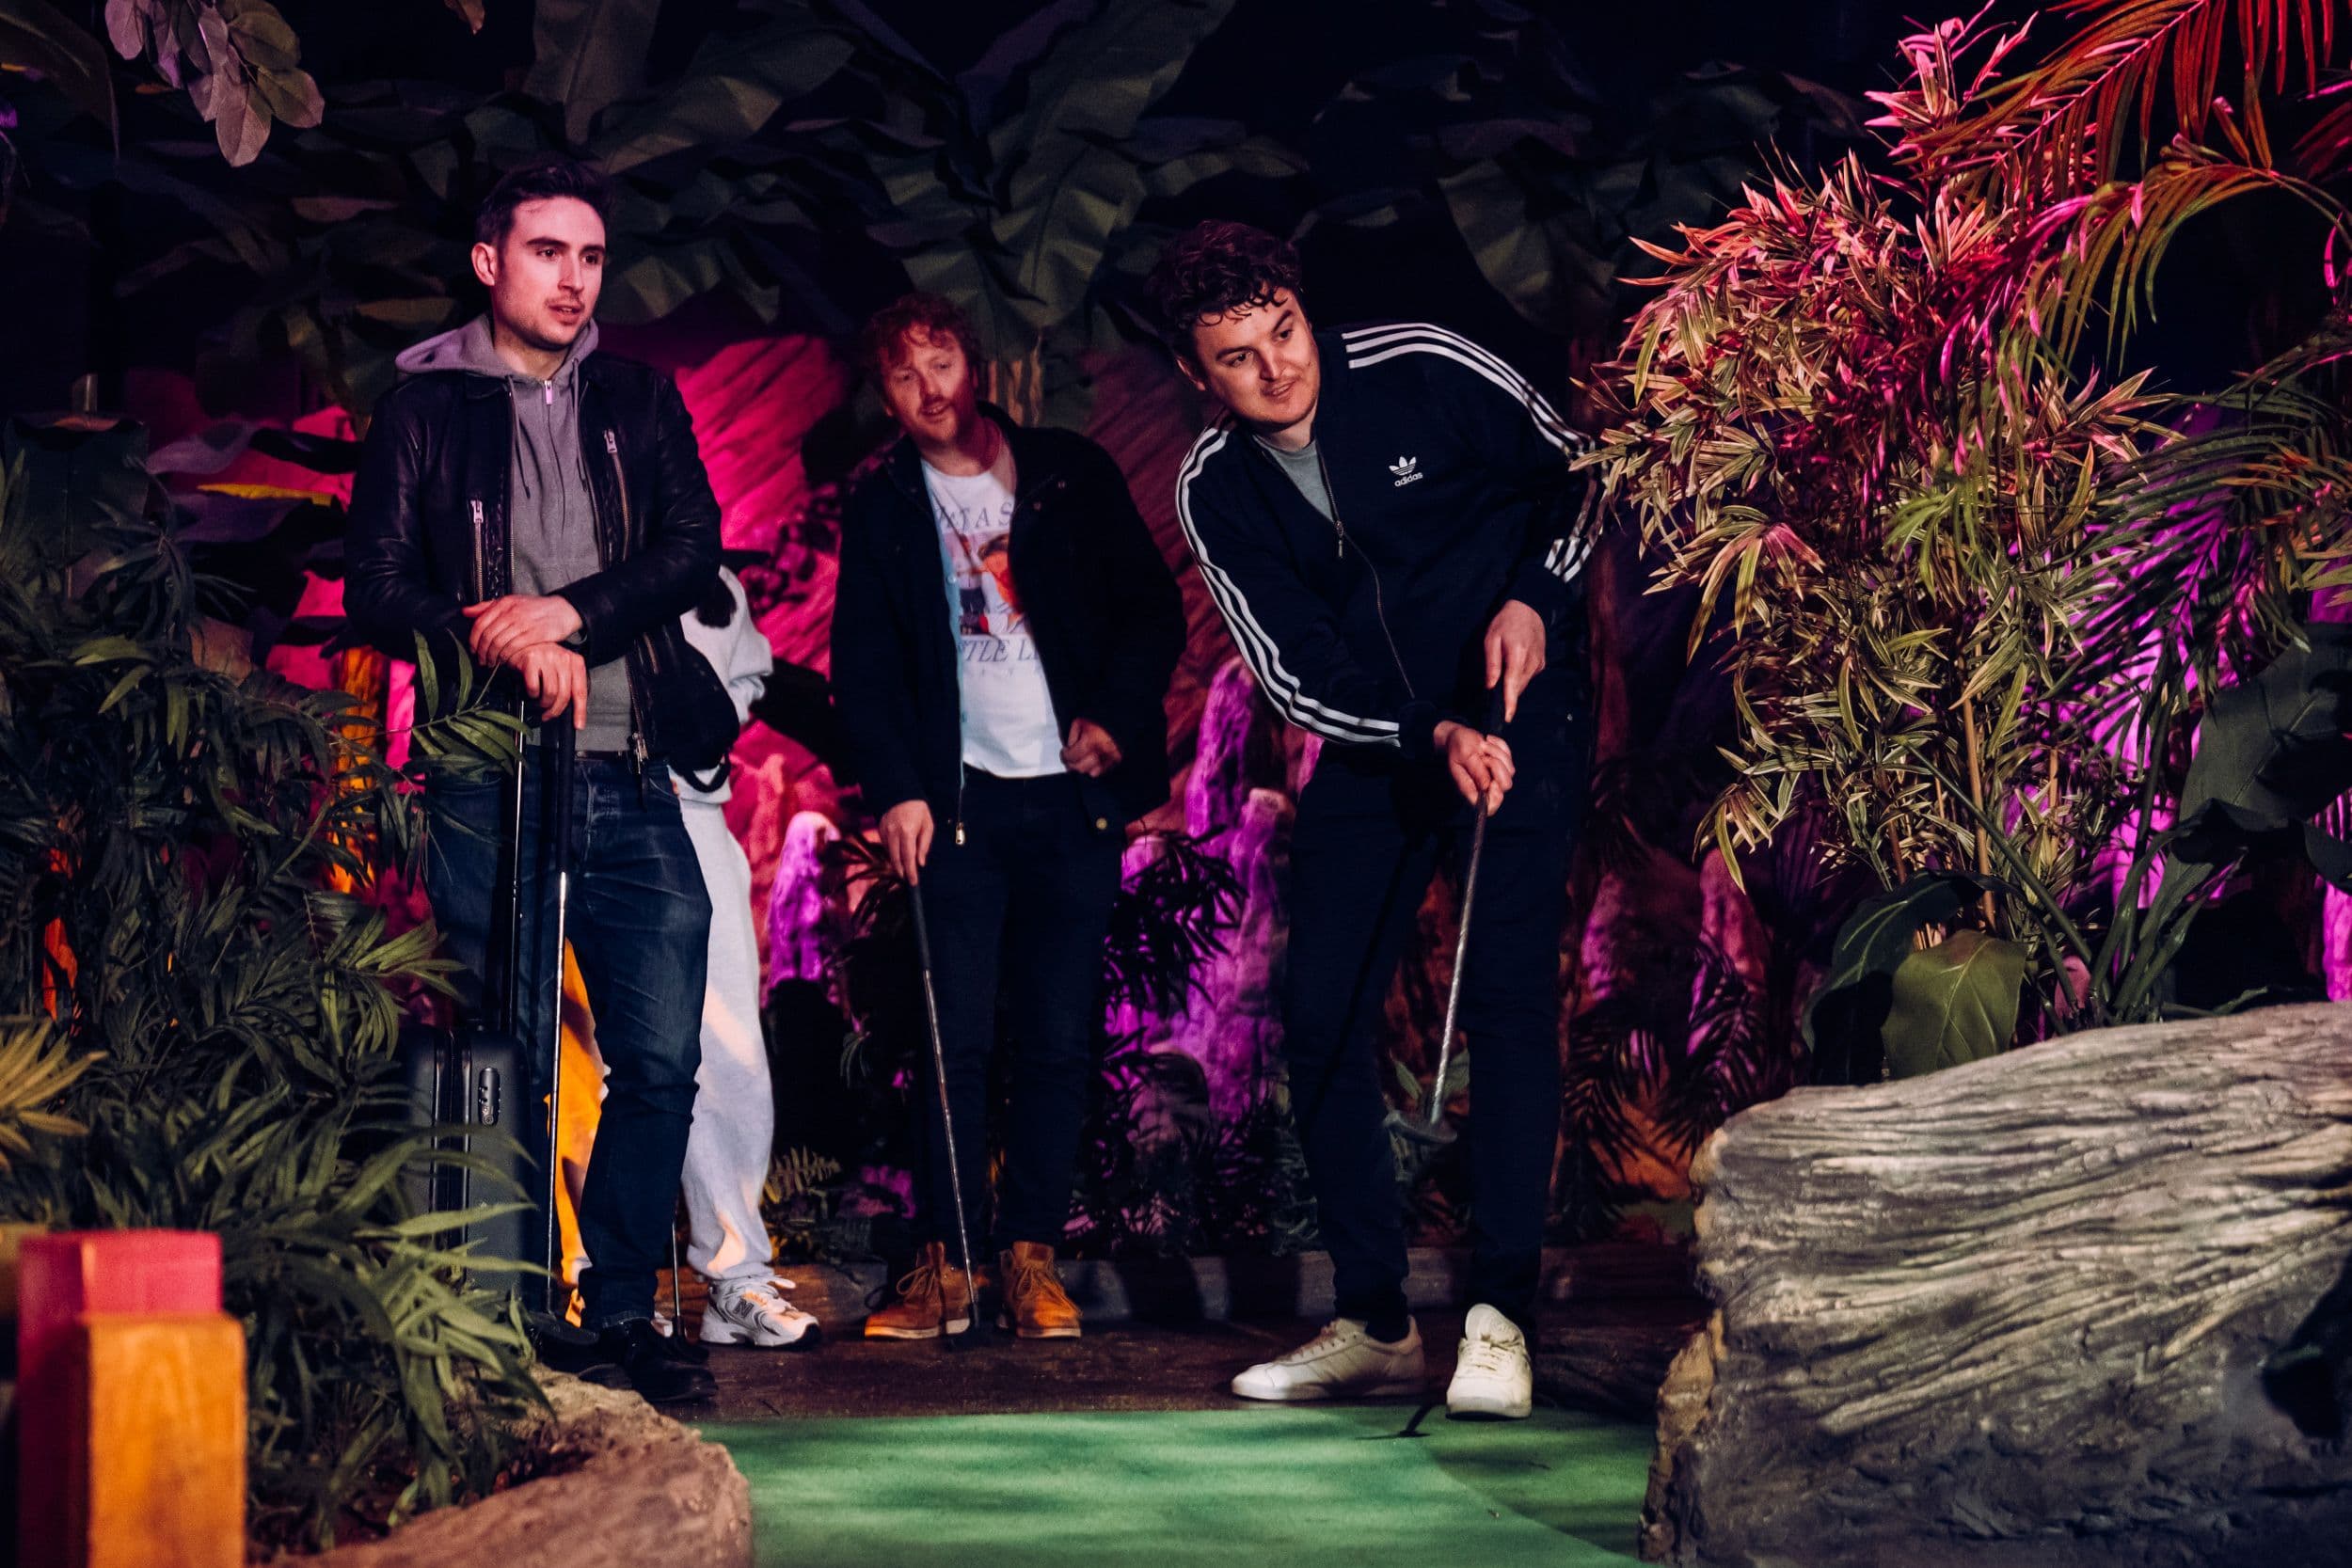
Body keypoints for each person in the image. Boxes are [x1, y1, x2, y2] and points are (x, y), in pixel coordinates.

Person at [1147, 220, 1595, 1419]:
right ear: (1199, 374)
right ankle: (1376, 1317)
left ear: (1303, 306)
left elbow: (1582, 471)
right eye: (1237, 357)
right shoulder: (1216, 488)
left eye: (1282, 331)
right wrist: (1417, 736)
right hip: (1380, 744)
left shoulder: (1421, 366)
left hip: (1518, 708)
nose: (1275, 369)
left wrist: (1534, 598)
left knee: (1502, 1002)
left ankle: (1499, 1317)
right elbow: (1290, 667)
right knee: (1323, 1015)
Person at [346, 154, 728, 1404]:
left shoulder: (638, 396)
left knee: (662, 1054)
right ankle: (497, 1317)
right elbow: (376, 590)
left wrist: (564, 612)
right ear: (489, 262)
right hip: (479, 771)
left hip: (628, 759)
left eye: (591, 257)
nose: (574, 279)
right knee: (494, 1044)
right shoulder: (422, 408)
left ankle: (617, 1305)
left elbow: (689, 550)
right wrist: (496, 633)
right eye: (549, 252)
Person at [831, 293, 1185, 1340]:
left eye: (941, 363)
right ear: (886, 394)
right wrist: (897, 787)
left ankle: (1032, 1256)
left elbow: (1150, 612)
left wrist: (1117, 720)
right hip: (958, 809)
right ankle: (949, 1264)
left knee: (1055, 1038)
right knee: (952, 1040)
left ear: (973, 367)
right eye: (905, 375)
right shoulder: (885, 500)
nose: (929, 389)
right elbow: (865, 664)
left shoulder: (1068, 470)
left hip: (1069, 799)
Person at [674, 567, 823, 1349]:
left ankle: (734, 1277)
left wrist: (710, 721)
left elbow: (748, 669)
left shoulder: (713, 579)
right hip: (586, 808)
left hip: (694, 815)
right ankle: (588, 1279)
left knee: (730, 1047)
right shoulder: (557, 544)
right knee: (592, 1052)